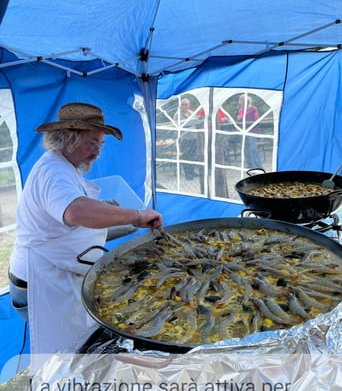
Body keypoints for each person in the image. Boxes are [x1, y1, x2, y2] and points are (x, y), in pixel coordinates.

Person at [8, 102, 163, 362]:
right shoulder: (53, 171)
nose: (98, 153)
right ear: (68, 139)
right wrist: (136, 217)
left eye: (101, 145)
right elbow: (76, 212)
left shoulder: (65, 168)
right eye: (93, 143)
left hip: (59, 273)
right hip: (42, 280)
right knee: (61, 357)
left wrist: (122, 222)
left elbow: (71, 221)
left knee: (74, 350)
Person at [174, 98, 200, 180]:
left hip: (193, 137)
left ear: (189, 105)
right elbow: (179, 125)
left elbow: (196, 120)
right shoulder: (178, 114)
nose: (184, 106)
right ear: (180, 105)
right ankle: (187, 174)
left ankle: (192, 171)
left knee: (192, 156)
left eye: (186, 104)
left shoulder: (191, 113)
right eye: (183, 104)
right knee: (186, 156)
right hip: (184, 138)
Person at [237, 94, 263, 169]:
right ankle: (250, 165)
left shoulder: (253, 109)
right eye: (241, 100)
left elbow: (256, 119)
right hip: (244, 132)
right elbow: (239, 120)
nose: (241, 102)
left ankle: (258, 165)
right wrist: (239, 118)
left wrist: (243, 117)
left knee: (253, 148)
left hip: (252, 131)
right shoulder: (240, 110)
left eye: (243, 100)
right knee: (246, 149)